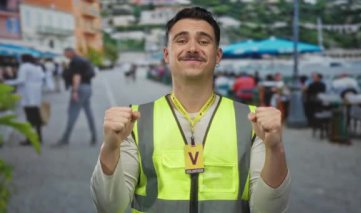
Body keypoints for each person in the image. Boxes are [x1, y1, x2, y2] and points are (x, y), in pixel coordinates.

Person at [91, 7, 290, 213]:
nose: (193, 48)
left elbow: (268, 209)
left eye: (204, 41)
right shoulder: (134, 121)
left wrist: (275, 148)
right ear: (167, 55)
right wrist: (110, 148)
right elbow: (111, 208)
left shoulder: (252, 120)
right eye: (181, 40)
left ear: (218, 55)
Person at [54, 47, 97, 146]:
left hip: (80, 88)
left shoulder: (75, 61)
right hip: (87, 88)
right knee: (88, 113)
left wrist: (74, 91)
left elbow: (76, 76)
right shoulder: (83, 60)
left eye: (65, 53)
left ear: (70, 52)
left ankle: (65, 138)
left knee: (72, 113)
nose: (65, 55)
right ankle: (94, 136)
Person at [5, 54, 45, 145]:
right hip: (36, 94)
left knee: (29, 118)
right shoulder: (38, 67)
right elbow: (42, 78)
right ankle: (39, 137)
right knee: (37, 117)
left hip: (27, 94)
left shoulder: (24, 67)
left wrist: (7, 82)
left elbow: (21, 80)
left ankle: (30, 139)